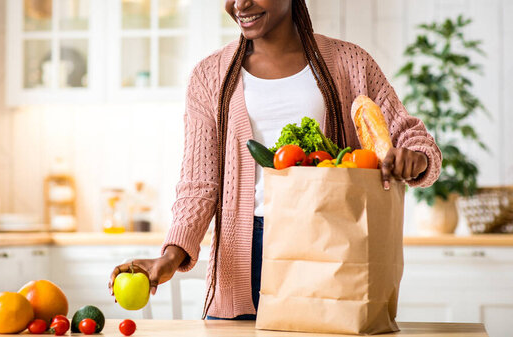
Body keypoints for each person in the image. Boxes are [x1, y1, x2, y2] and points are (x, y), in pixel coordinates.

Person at [108, 0, 442, 320]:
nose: (240, 4)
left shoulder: (350, 62)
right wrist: (169, 256)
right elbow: (200, 184)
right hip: (244, 255)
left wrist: (417, 159)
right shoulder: (209, 77)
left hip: (331, 244)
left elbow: (407, 133)